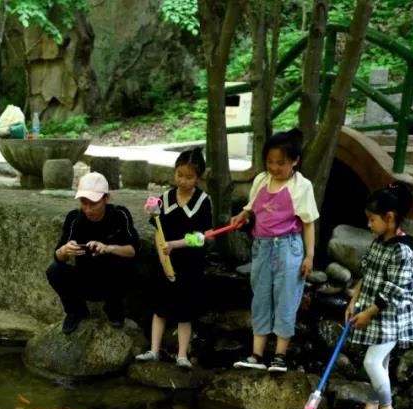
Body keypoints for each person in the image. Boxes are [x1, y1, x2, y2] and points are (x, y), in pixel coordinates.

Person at [230, 128, 318, 373]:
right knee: (260, 297)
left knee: (286, 298)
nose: (274, 167)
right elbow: (251, 209)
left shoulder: (302, 186)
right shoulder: (261, 180)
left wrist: (309, 256)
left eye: (281, 163)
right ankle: (256, 355)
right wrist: (243, 215)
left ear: (295, 161)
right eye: (270, 162)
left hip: (288, 248)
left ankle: (280, 356)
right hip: (262, 247)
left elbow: (308, 223)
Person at [341, 182, 413, 409]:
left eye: (372, 219)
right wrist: (354, 301)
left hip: (390, 318)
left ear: (390, 217)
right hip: (372, 312)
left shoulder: (403, 251)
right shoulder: (378, 242)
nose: (368, 224)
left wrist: (368, 312)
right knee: (380, 363)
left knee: (372, 362)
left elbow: (395, 291)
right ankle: (373, 406)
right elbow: (365, 275)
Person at [135, 148, 212, 368]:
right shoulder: (165, 199)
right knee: (160, 308)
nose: (183, 180)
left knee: (185, 311)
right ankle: (154, 350)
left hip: (190, 264)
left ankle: (182, 355)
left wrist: (175, 245)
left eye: (189, 177)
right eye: (179, 175)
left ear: (198, 178)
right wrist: (163, 259)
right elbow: (158, 232)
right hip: (165, 263)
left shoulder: (203, 201)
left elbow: (201, 237)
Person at [46, 172, 140, 335]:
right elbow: (58, 256)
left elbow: (133, 250)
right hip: (85, 278)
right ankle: (76, 311)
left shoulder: (120, 215)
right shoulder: (74, 218)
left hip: (113, 280)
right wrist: (65, 250)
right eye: (84, 203)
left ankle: (114, 308)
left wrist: (108, 248)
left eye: (94, 204)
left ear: (106, 198)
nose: (88, 209)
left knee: (127, 265)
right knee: (54, 270)